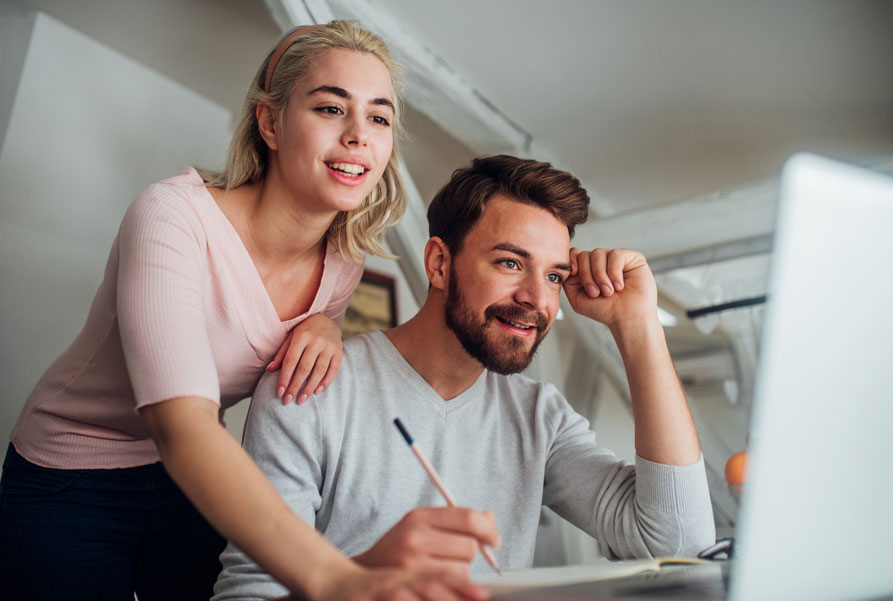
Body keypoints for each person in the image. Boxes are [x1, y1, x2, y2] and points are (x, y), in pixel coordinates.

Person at [0, 21, 486, 601]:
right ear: (271, 122)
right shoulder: (172, 218)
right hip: (69, 473)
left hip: (188, 478)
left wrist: (325, 323)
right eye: (332, 108)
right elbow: (180, 426)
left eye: (379, 117)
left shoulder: (344, 262)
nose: (359, 135)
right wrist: (331, 575)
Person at [213, 155, 717, 599]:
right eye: (510, 262)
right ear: (438, 263)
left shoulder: (540, 418)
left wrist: (639, 326)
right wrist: (361, 579)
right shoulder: (312, 389)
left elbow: (678, 544)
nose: (537, 300)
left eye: (554, 276)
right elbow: (247, 597)